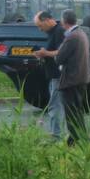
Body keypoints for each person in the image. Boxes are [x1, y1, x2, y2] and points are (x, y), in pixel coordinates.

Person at [54, 10, 90, 145]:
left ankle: (74, 141)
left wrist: (55, 55)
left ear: (64, 21)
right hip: (81, 78)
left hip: (71, 80)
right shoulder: (82, 34)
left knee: (71, 112)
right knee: (77, 111)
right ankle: (81, 138)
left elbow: (59, 58)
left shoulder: (72, 37)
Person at [33, 10, 66, 140]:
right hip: (53, 75)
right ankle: (58, 134)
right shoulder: (51, 32)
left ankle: (56, 136)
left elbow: (61, 52)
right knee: (55, 105)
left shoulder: (59, 32)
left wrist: (45, 53)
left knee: (54, 106)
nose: (40, 29)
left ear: (47, 20)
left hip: (58, 75)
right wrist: (42, 55)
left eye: (40, 26)